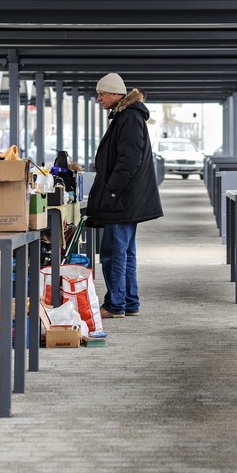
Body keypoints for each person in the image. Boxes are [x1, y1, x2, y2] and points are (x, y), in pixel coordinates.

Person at [86, 73, 163, 319]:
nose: (98, 99)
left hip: (121, 199)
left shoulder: (129, 117)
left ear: (116, 94)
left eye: (102, 94)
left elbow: (128, 162)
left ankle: (115, 304)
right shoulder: (128, 116)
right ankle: (129, 302)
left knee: (113, 252)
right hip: (126, 198)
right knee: (125, 252)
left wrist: (111, 191)